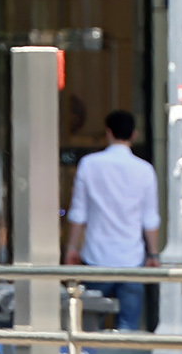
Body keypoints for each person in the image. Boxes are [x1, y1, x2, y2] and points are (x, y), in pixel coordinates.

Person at [63, 110, 161, 332]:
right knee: (128, 329)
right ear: (134, 135)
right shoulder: (145, 170)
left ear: (108, 133)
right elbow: (150, 218)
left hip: (96, 256)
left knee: (88, 327)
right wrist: (153, 253)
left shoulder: (89, 165)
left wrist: (71, 247)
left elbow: (79, 213)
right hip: (132, 259)